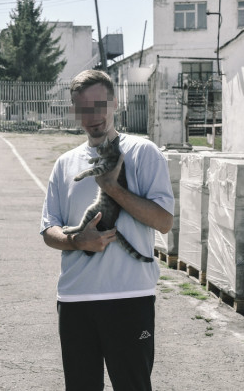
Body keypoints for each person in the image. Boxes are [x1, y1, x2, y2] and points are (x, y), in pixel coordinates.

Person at [40, 70, 174, 390]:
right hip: (74, 299)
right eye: (84, 108)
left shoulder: (143, 153)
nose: (93, 116)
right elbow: (48, 229)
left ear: (115, 102)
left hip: (129, 298)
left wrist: (113, 189)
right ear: (74, 110)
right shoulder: (65, 163)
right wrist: (78, 240)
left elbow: (164, 222)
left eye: (100, 105)